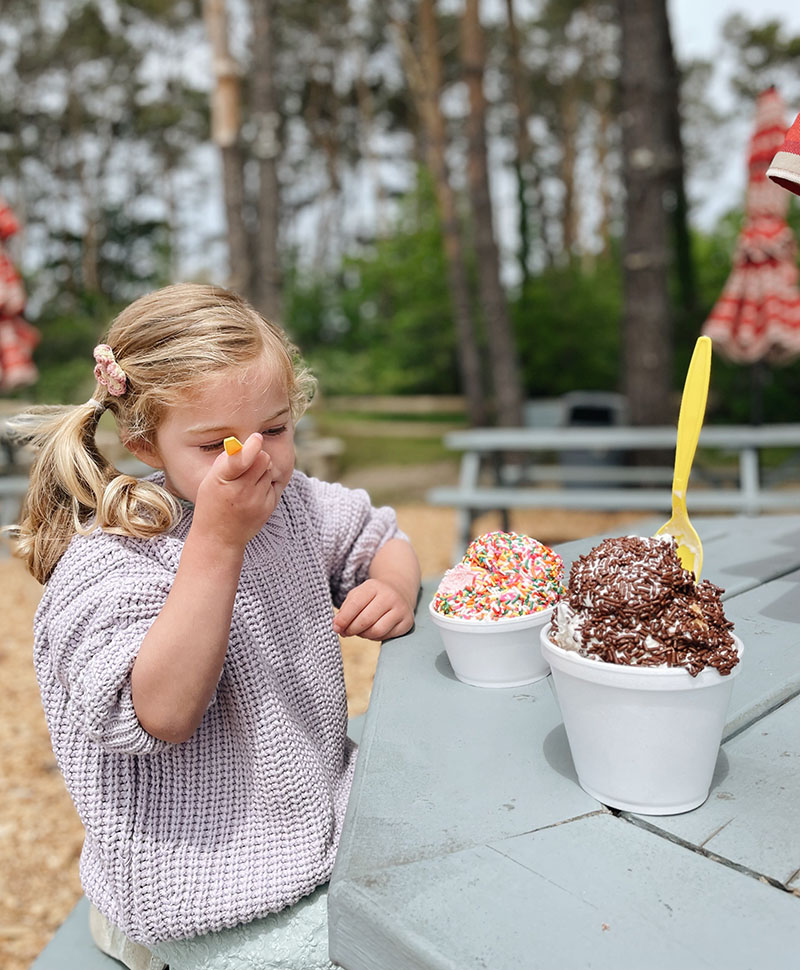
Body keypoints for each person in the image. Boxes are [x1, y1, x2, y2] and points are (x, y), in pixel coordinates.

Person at [12, 282, 421, 970]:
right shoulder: (115, 561)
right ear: (144, 441)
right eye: (219, 443)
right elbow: (160, 713)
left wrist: (389, 584)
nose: (257, 459)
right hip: (200, 880)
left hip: (312, 814)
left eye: (278, 429)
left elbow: (380, 534)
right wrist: (218, 542)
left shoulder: (291, 506)